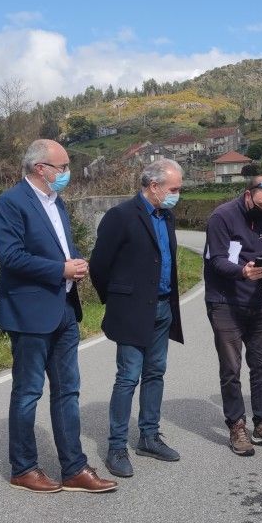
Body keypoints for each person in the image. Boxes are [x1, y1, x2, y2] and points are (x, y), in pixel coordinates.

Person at [0, 138, 117, 494]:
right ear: (40, 169)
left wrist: (75, 264)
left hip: (64, 309)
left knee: (67, 391)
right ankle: (23, 468)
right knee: (28, 391)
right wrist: (60, 269)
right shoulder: (10, 204)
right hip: (30, 313)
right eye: (62, 168)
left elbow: (62, 248)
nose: (67, 174)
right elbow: (11, 257)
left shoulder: (55, 202)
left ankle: (74, 467)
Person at [89, 158, 185, 478]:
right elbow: (99, 265)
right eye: (173, 189)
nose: (177, 194)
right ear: (153, 186)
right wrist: (117, 300)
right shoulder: (120, 216)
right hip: (131, 311)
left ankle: (149, 436)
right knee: (129, 377)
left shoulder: (166, 215)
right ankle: (117, 446)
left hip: (161, 309)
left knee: (155, 373)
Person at [204, 175, 262, 456]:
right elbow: (217, 259)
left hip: (257, 302)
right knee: (231, 370)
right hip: (224, 303)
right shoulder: (222, 217)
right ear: (248, 195)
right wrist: (242, 271)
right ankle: (237, 425)